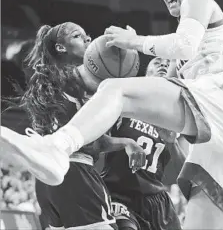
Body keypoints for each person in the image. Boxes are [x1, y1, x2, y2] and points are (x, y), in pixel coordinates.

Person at [1, 0, 223, 229]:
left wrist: (135, 42)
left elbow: (182, 45)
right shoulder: (194, 50)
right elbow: (184, 53)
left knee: (116, 90)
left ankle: (57, 148)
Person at [3, 22, 147, 230]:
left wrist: (126, 142)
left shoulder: (62, 83)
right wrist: (129, 49)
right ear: (61, 47)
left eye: (88, 34)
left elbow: (92, 139)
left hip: (48, 181)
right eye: (78, 36)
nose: (88, 39)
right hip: (76, 172)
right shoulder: (66, 77)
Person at [102, 57, 185, 230]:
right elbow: (98, 142)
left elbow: (184, 172)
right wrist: (125, 143)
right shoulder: (125, 103)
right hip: (121, 194)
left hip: (157, 200)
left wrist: (172, 144)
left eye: (167, 63)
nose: (163, 64)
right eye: (157, 62)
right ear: (146, 75)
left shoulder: (173, 116)